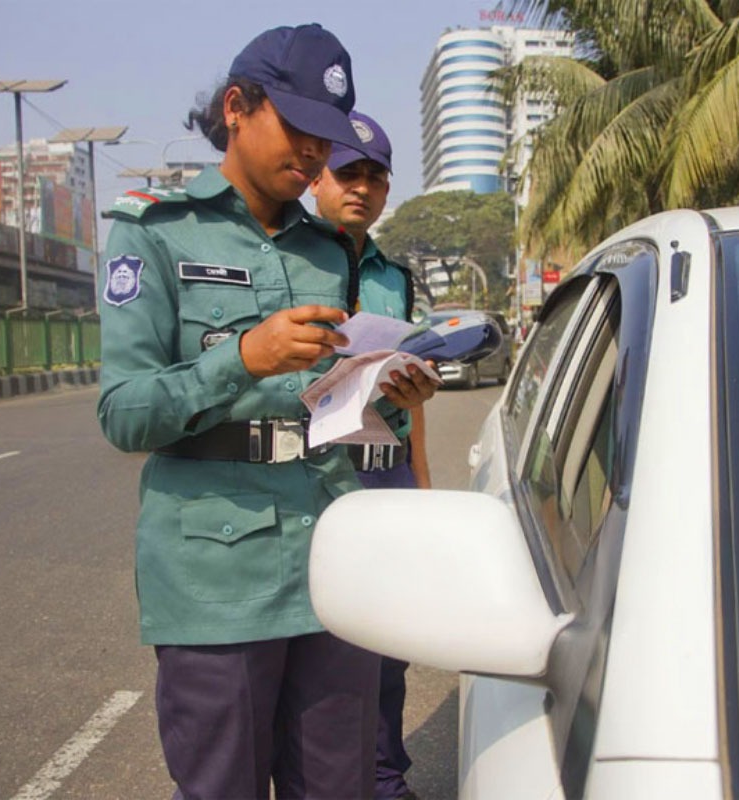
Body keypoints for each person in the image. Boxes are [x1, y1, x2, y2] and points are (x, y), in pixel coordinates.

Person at [96, 24, 438, 800]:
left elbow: (324, 400)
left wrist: (387, 394)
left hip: (332, 563)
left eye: (328, 137)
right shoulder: (154, 231)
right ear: (237, 107)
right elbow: (123, 413)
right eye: (300, 129)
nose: (316, 154)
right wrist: (241, 358)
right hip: (218, 577)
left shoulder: (330, 248)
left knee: (339, 787)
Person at [310, 110, 426, 800]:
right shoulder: (292, 263)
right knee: (324, 649)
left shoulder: (395, 277)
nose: (361, 188)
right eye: (347, 173)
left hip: (389, 472)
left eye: (374, 177)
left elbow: (407, 406)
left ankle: (385, 778)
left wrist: (424, 485)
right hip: (321, 473)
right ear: (315, 181)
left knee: (390, 643)